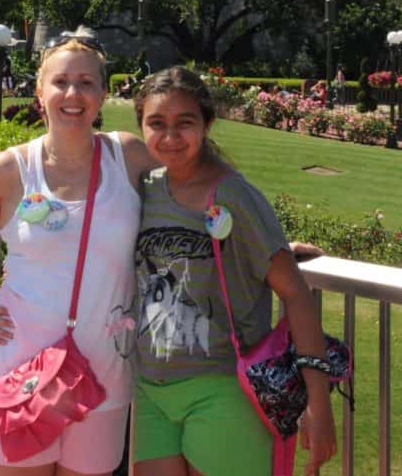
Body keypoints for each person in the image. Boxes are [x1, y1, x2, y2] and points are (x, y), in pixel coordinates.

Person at [0, 31, 153, 476]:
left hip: (103, 376)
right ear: (39, 92)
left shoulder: (127, 157)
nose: (73, 94)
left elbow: (198, 185)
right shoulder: (11, 170)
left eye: (86, 83)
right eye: (61, 82)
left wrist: (269, 241)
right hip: (20, 374)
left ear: (103, 94)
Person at [132, 66, 337, 476]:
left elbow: (294, 293)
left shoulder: (232, 195)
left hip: (224, 388)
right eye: (156, 123)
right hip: (150, 390)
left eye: (184, 123)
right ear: (141, 125)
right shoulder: (146, 188)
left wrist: (319, 403)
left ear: (207, 123)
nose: (170, 137)